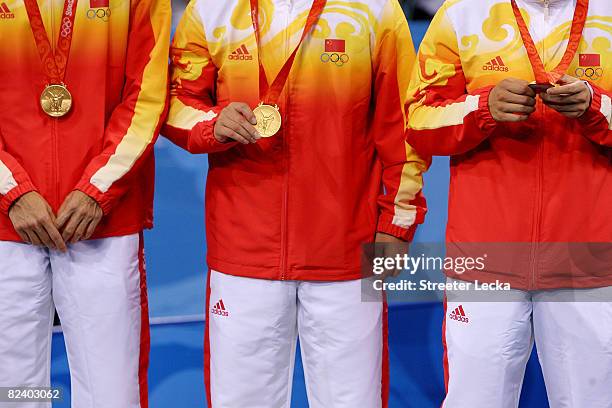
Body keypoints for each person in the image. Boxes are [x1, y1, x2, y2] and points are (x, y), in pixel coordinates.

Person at [164, 0, 426, 406]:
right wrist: (211, 123)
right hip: (244, 250)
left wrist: (397, 223)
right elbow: (175, 103)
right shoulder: (212, 9)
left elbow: (403, 124)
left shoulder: (375, 10)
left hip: (346, 251)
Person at [405, 0, 612, 407]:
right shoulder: (463, 12)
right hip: (484, 256)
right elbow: (417, 119)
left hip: (589, 256)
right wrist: (483, 108)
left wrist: (596, 106)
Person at [0, 0, 170, 406]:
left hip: (100, 223)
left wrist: (98, 188)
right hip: (6, 224)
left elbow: (148, 93)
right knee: (16, 388)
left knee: (109, 390)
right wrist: (10, 190)